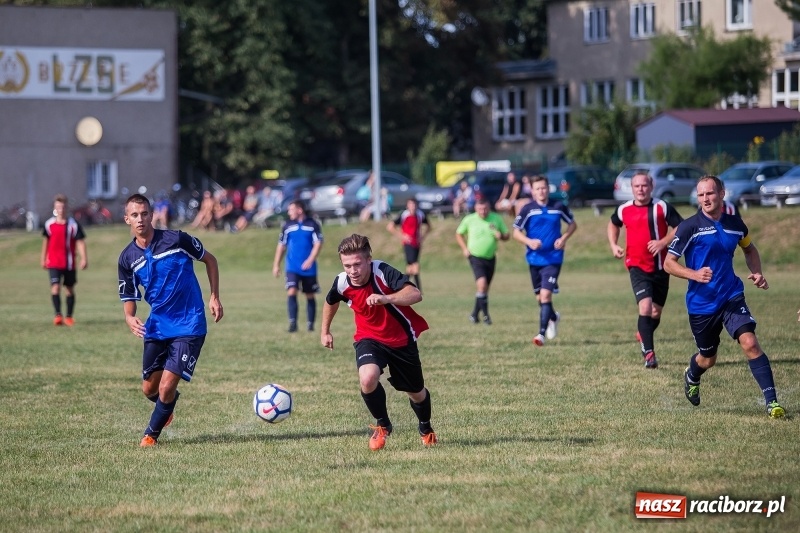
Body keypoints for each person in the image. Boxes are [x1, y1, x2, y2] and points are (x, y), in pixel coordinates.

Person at [664, 175, 785, 419]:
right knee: (708, 359)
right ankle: (692, 375)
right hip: (702, 304)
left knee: (750, 343)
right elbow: (668, 263)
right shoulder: (689, 227)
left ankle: (772, 403)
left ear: (722, 193)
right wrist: (694, 274)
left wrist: (757, 272)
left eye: (709, 193)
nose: (705, 199)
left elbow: (749, 249)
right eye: (701, 195)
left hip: (731, 295)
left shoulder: (735, 224)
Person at [118, 193, 223, 447]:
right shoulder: (127, 258)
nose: (140, 219)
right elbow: (129, 294)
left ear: (152, 215)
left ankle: (149, 436)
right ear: (127, 220)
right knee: (149, 390)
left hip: (190, 323)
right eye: (135, 215)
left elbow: (210, 259)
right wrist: (129, 316)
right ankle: (166, 407)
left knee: (165, 388)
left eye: (144, 214)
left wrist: (214, 297)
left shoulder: (177, 239)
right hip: (157, 325)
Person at [320, 234, 437, 450]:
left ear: (368, 260)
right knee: (367, 378)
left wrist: (387, 298)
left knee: (416, 392)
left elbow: (415, 293)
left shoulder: (382, 272)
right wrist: (325, 331)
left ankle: (425, 427)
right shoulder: (342, 281)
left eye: (357, 264)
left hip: (401, 339)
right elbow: (331, 301)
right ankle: (382, 425)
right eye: (347, 265)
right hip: (368, 338)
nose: (352, 270)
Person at [607, 171, 683, 368]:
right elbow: (613, 224)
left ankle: (643, 334)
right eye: (637, 186)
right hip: (636, 265)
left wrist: (663, 242)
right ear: (631, 188)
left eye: (644, 185)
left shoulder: (661, 207)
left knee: (655, 313)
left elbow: (680, 227)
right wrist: (613, 244)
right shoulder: (624, 209)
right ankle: (649, 354)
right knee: (645, 307)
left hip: (662, 267)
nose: (640, 189)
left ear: (651, 186)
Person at [513, 175, 577, 346]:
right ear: (532, 191)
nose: (541, 191)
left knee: (545, 295)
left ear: (548, 189)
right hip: (534, 259)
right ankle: (554, 317)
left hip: (553, 259)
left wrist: (564, 238)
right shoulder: (528, 209)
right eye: (537, 189)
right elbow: (516, 232)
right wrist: (529, 241)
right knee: (540, 299)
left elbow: (572, 224)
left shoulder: (558, 206)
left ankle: (540, 334)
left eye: (543, 188)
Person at [455, 197, 510, 325]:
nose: (483, 211)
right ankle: (486, 317)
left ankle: (474, 314)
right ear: (475, 208)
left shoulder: (496, 218)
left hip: (490, 258)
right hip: (475, 256)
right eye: (480, 209)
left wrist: (501, 236)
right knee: (482, 284)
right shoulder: (469, 219)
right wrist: (464, 248)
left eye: (485, 208)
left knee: (484, 289)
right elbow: (458, 234)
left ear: (489, 208)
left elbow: (507, 235)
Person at [272, 200, 323, 332]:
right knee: (292, 290)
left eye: (291, 209)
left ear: (299, 210)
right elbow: (281, 246)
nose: (289, 212)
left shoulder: (313, 224)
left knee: (310, 294)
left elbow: (318, 243)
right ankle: (293, 323)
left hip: (309, 268)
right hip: (292, 266)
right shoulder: (287, 226)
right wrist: (276, 264)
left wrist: (310, 260)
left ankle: (310, 324)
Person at [41, 194, 88, 326]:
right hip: (54, 263)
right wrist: (43, 258)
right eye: (58, 207)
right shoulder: (49, 224)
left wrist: (84, 258)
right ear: (54, 208)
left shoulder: (73, 224)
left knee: (69, 289)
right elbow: (46, 242)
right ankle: (58, 315)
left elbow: (80, 242)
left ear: (66, 208)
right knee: (55, 288)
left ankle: (69, 316)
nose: (60, 209)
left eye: (62, 207)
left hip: (69, 263)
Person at [387, 198, 430, 293]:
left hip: (417, 244)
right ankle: (419, 290)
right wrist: (403, 236)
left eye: (414, 204)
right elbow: (390, 226)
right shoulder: (404, 215)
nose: (413, 206)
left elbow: (428, 226)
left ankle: (399, 287)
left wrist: (422, 237)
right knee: (415, 266)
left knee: (410, 267)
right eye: (410, 204)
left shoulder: (420, 214)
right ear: (407, 205)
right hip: (408, 244)